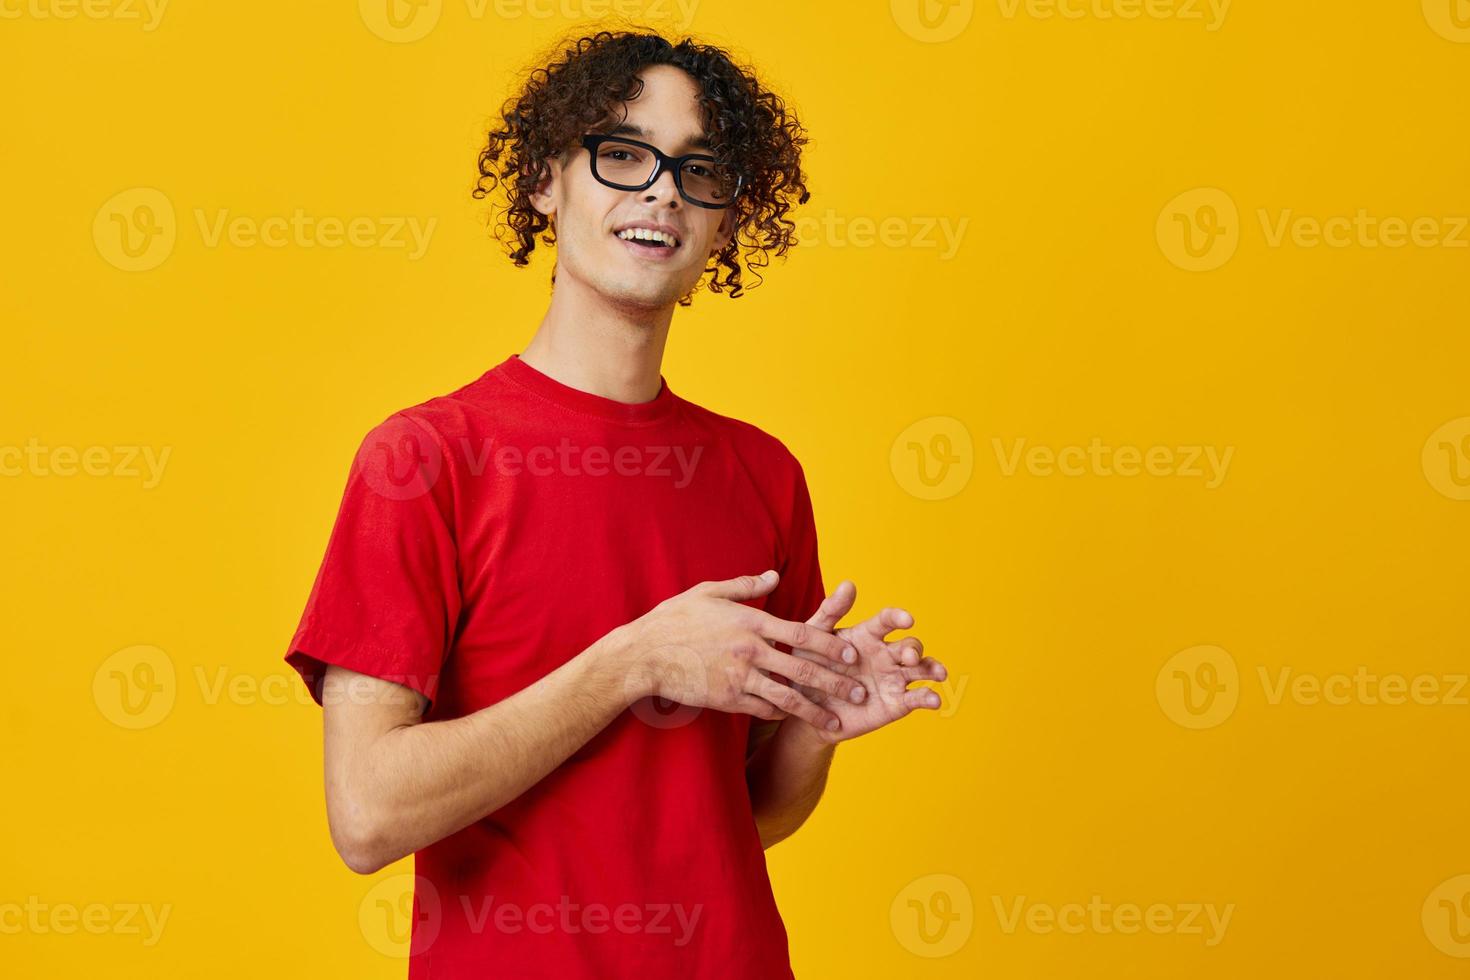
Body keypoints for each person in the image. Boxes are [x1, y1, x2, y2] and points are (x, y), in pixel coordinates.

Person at [284, 28, 948, 979]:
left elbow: (742, 816)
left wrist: (815, 726)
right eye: (623, 154)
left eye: (699, 169)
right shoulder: (425, 461)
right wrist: (633, 660)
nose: (663, 191)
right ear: (546, 183)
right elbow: (367, 813)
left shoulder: (762, 474)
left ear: (725, 220)